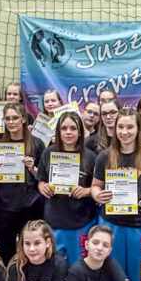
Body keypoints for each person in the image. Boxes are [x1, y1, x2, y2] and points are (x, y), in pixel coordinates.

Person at [91, 108, 141, 281]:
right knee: (112, 273)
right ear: (115, 129)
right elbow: (95, 186)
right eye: (120, 127)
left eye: (130, 127)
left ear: (138, 129)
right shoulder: (105, 157)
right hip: (112, 224)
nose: (124, 132)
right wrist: (98, 195)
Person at [0, 102, 45, 264]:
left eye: (15, 118)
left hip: (30, 205)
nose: (11, 122)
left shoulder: (37, 144)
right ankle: (7, 277)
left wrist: (33, 169)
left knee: (31, 248)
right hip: (4, 206)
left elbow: (44, 179)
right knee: (5, 250)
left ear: (23, 119)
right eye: (8, 119)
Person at [36, 111, 98, 263]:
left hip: (81, 221)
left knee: (79, 267)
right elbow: (41, 180)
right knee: (54, 266)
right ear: (58, 131)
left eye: (73, 128)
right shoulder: (48, 152)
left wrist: (87, 191)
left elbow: (98, 187)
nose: (68, 132)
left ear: (80, 132)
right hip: (55, 220)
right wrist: (42, 186)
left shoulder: (90, 156)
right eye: (64, 128)